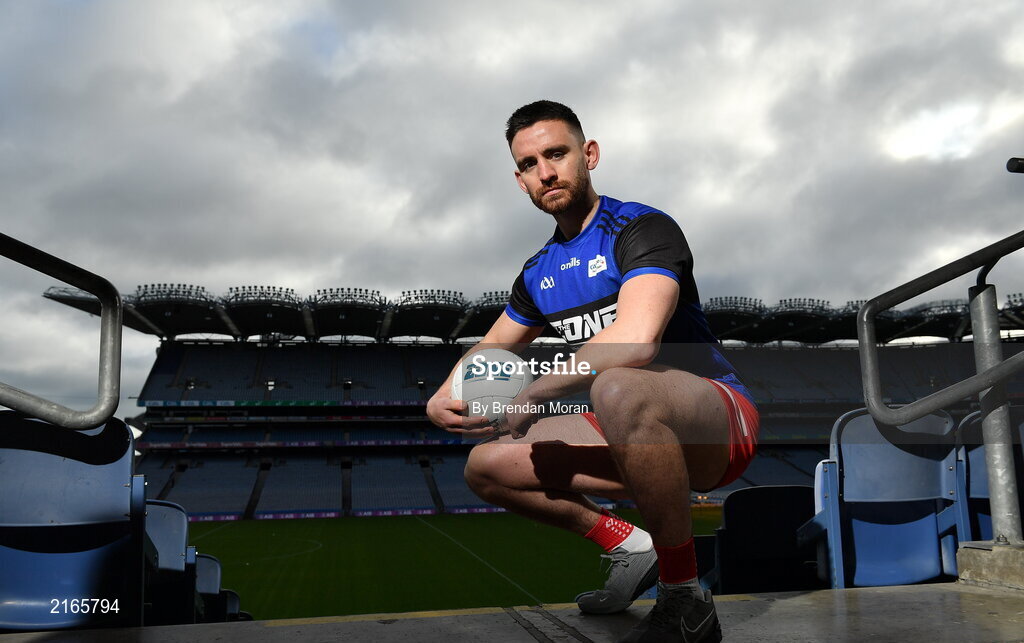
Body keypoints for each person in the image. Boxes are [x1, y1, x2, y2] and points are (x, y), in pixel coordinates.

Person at [426, 100, 758, 643]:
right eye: (530, 163)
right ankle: (632, 548)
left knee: (620, 383)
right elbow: (490, 348)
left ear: (590, 154)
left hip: (714, 418)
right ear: (520, 180)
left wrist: (536, 390)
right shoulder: (538, 271)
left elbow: (637, 341)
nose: (546, 171)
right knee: (486, 466)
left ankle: (684, 599)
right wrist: (444, 393)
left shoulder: (640, 228)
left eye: (557, 154)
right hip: (626, 426)